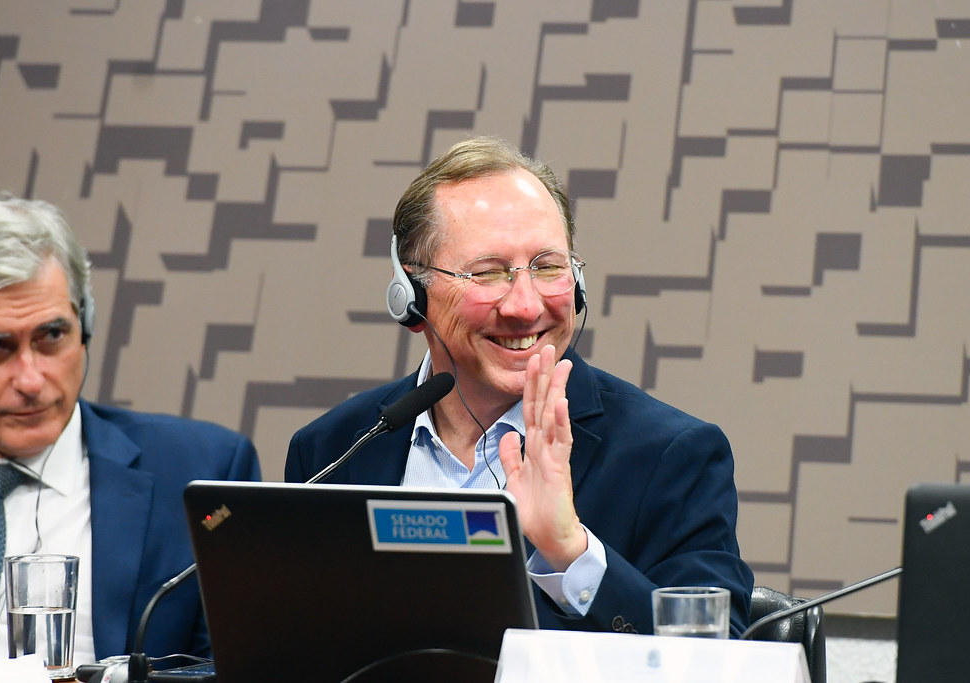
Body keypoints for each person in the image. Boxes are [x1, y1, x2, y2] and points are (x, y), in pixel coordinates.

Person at [285, 136, 753, 636]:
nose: (525, 306)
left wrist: (571, 551)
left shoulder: (672, 457)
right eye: (488, 274)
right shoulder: (332, 452)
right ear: (412, 298)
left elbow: (714, 657)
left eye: (548, 267)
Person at [0, 194, 261, 667]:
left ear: (84, 324)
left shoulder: (200, 472)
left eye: (52, 337)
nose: (30, 380)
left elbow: (240, 666)